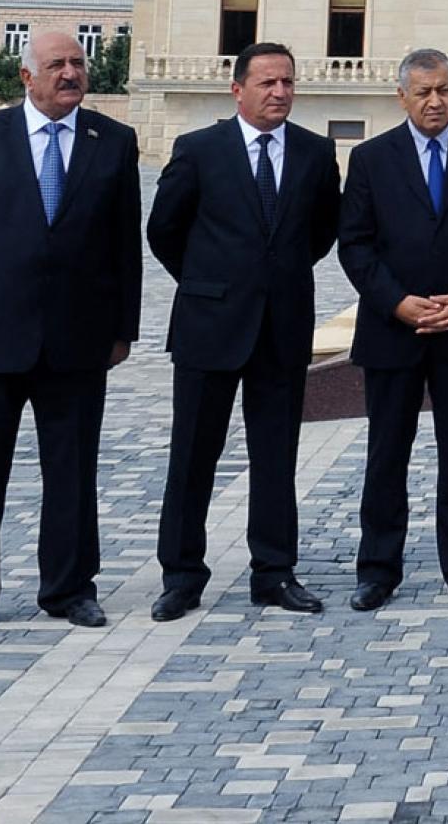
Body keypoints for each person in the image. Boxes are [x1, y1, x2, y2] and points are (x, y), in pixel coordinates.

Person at [0, 29, 142, 633]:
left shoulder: (114, 141)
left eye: (78, 63)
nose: (70, 73)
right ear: (26, 76)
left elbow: (126, 244)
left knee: (72, 470)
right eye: (57, 64)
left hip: (79, 338)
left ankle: (70, 589)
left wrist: (124, 329)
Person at [145, 42, 342, 622]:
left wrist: (270, 281)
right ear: (238, 90)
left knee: (277, 456)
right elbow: (164, 231)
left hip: (281, 328)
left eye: (287, 82)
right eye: (267, 83)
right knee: (193, 455)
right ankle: (181, 576)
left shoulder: (314, 152)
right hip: (209, 326)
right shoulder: (199, 150)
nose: (279, 92)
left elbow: (321, 233)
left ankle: (274, 573)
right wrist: (211, 282)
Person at [338, 47, 448, 610]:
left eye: (443, 90)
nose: (435, 101)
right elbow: (356, 244)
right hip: (393, 331)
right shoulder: (371, 159)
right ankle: (378, 570)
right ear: (402, 97)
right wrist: (397, 303)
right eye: (423, 92)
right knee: (387, 451)